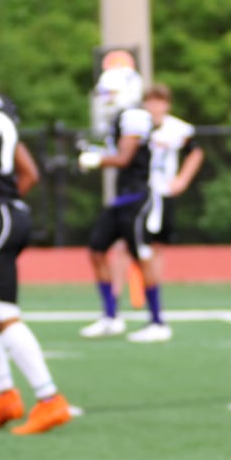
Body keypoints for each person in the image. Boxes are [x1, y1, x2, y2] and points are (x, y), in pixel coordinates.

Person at [76, 64, 170, 342]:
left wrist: (96, 160)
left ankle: (157, 321)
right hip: (121, 198)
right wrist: (91, 152)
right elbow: (114, 152)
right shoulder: (120, 118)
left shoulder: (135, 117)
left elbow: (124, 158)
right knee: (96, 250)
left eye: (110, 92)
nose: (106, 98)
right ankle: (110, 316)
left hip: (137, 197)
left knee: (142, 255)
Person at [140, 80, 204, 284]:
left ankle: (154, 292)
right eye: (151, 102)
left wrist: (182, 180)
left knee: (157, 245)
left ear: (167, 104)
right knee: (131, 245)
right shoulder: (136, 127)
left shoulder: (177, 129)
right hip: (139, 191)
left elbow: (195, 152)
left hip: (163, 190)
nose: (155, 107)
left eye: (159, 102)